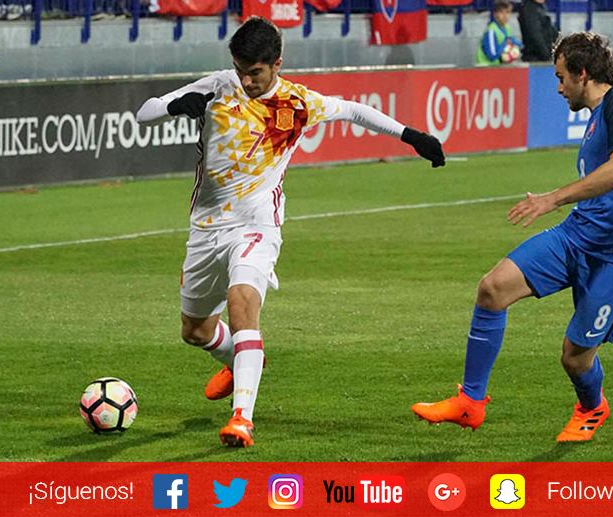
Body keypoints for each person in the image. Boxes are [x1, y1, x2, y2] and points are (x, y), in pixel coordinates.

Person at [136, 17, 445, 448]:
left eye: (255, 72)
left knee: (242, 301)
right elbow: (144, 110)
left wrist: (411, 136)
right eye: (240, 69)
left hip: (257, 224)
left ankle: (242, 418)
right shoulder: (219, 86)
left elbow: (353, 110)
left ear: (276, 64)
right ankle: (240, 360)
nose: (246, 80)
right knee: (196, 331)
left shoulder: (298, 103)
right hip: (206, 228)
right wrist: (176, 104)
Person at [412, 32, 613, 442]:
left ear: (582, 74)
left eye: (562, 78)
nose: (559, 88)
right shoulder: (597, 117)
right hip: (576, 237)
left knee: (575, 359)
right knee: (493, 289)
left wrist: (552, 199)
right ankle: (470, 403)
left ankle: (592, 406)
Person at [477, 0, 524, 65]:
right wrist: (505, 43)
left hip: (499, 67)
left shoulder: (507, 28)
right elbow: (492, 56)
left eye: (507, 12)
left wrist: (516, 44)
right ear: (495, 14)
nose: (505, 16)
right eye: (501, 12)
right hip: (486, 67)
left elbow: (514, 42)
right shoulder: (491, 31)